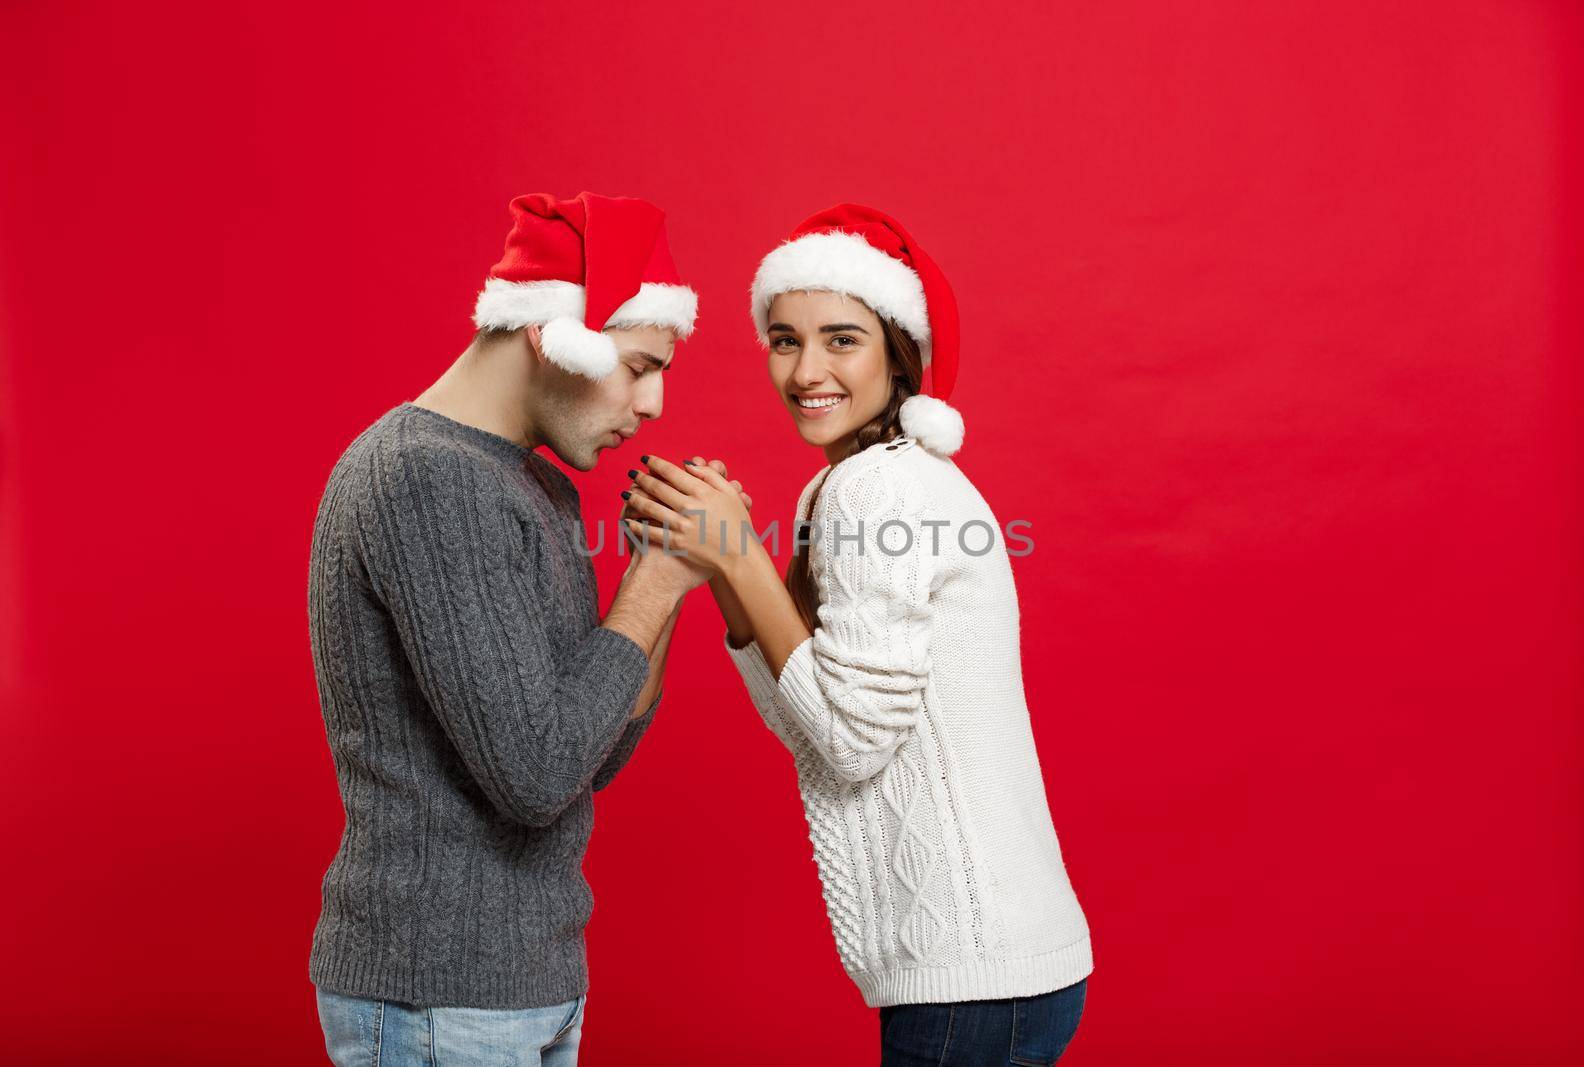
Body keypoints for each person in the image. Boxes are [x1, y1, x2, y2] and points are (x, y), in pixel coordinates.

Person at [622, 204, 1094, 1065]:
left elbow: (850, 740)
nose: (806, 371)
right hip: (1001, 968)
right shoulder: (841, 490)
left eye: (842, 339)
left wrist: (744, 557)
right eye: (783, 339)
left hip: (971, 978)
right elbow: (807, 717)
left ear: (897, 353)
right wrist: (729, 570)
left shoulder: (877, 493)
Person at [307, 191, 707, 1066]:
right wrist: (654, 579)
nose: (655, 403)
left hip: (527, 982)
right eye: (640, 364)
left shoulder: (538, 486)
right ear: (550, 333)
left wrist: (665, 576)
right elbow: (533, 775)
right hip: (437, 992)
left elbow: (591, 756)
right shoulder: (424, 477)